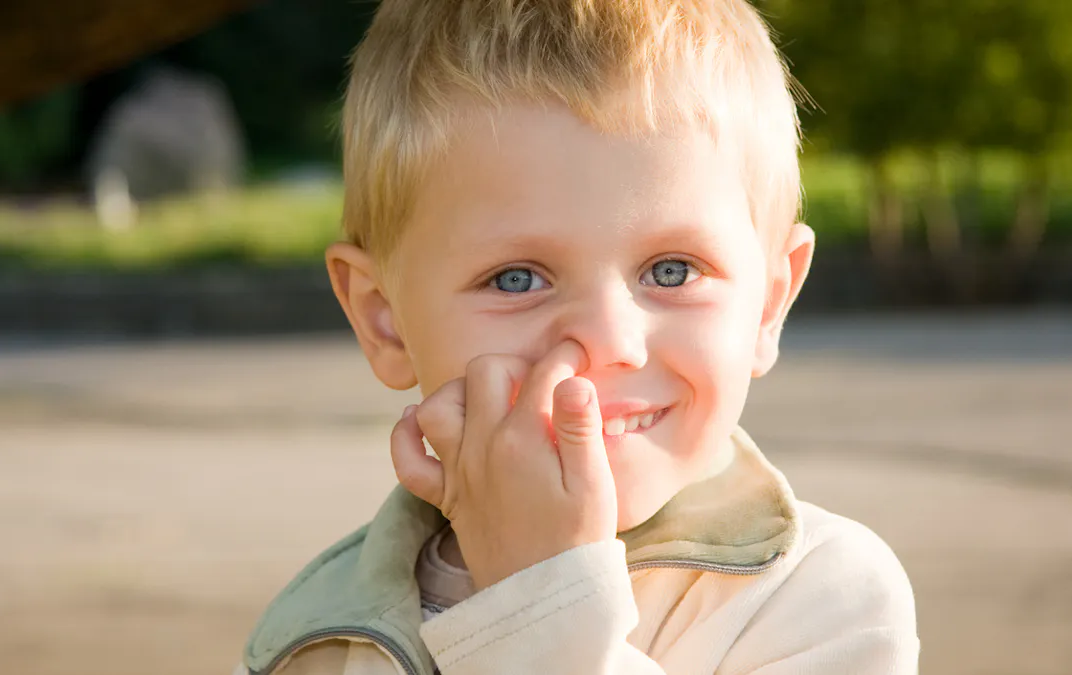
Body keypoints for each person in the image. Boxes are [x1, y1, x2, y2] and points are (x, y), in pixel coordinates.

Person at [238, 1, 919, 673]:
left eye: (673, 270)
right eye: (516, 279)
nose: (607, 340)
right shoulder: (310, 637)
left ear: (768, 305)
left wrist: (536, 601)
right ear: (384, 317)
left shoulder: (826, 598)